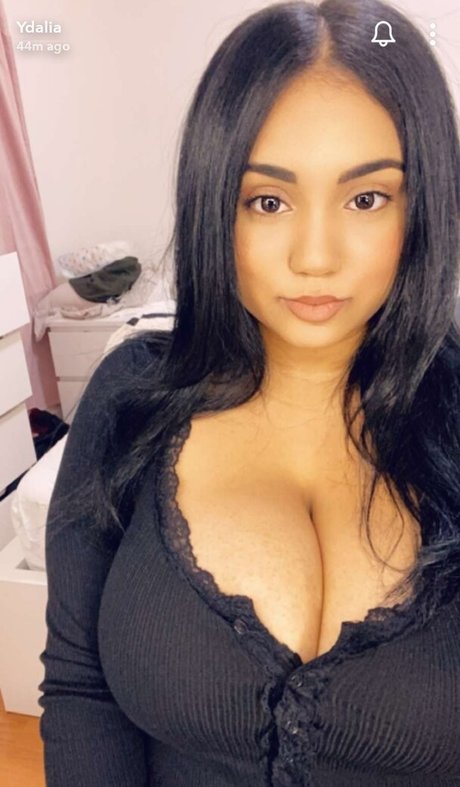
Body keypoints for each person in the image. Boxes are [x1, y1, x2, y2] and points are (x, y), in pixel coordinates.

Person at [38, 0, 460, 784]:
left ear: (423, 203)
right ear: (215, 204)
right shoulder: (130, 398)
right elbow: (81, 689)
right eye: (268, 201)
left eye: (367, 198)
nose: (315, 257)